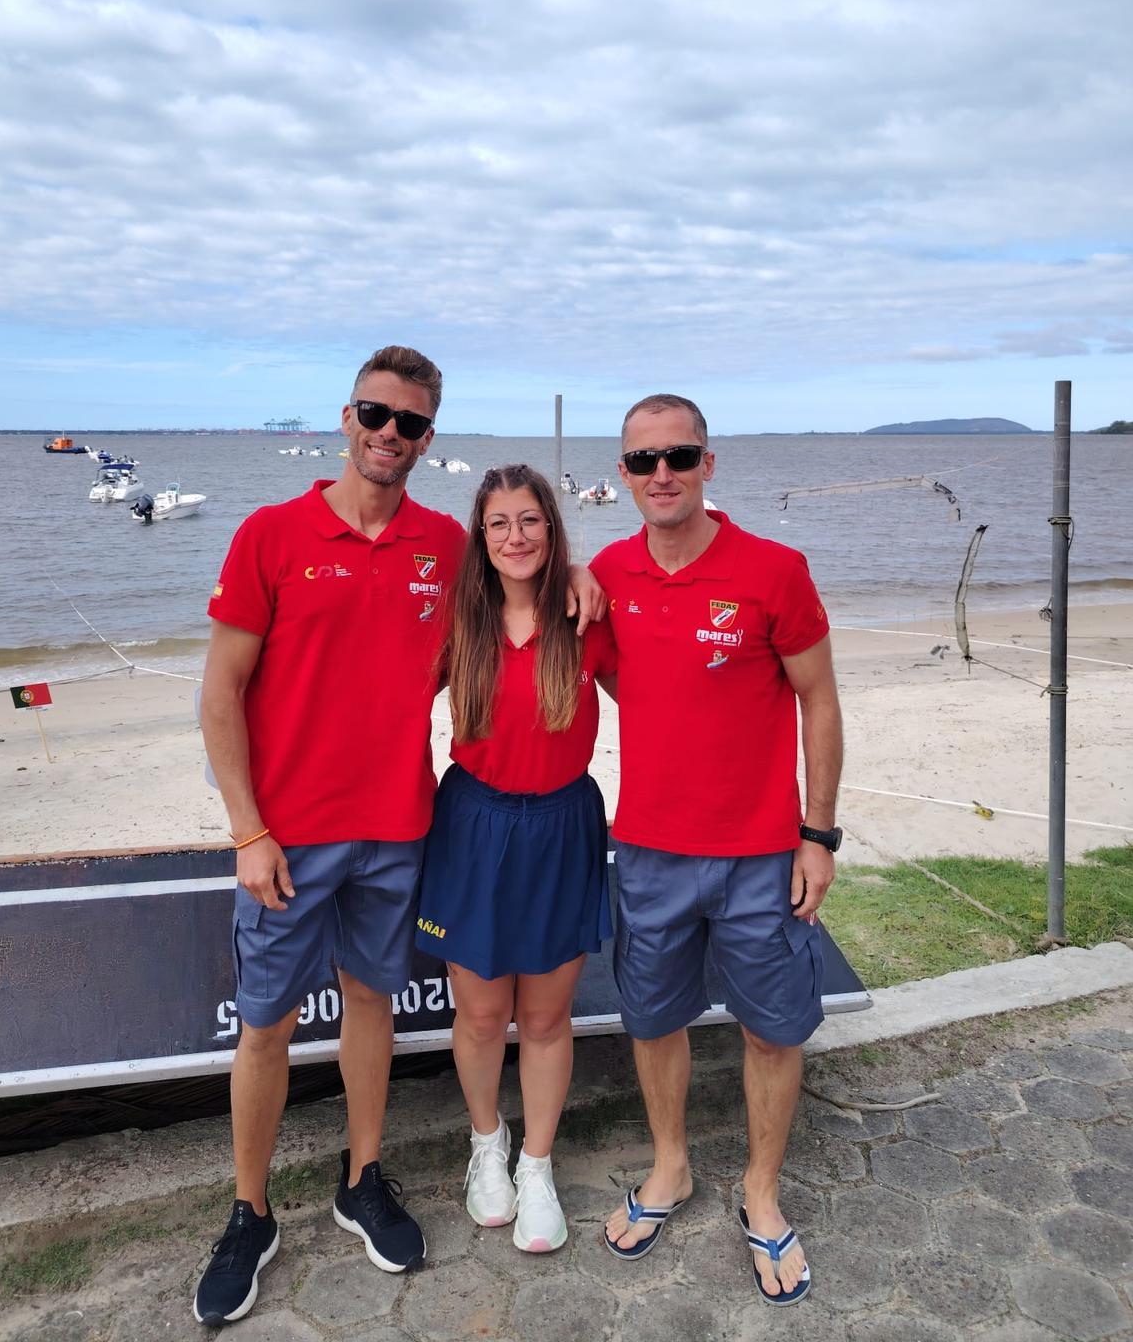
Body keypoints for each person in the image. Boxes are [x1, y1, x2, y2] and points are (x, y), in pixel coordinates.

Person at [193, 351, 604, 1327]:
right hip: (286, 836)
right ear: (348, 417)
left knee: (371, 1002)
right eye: (377, 413)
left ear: (427, 438)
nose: (391, 432)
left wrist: (582, 572)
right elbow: (220, 696)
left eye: (411, 423)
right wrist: (247, 828)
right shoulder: (272, 533)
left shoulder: (443, 546)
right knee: (267, 1024)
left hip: (397, 830)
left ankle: (362, 1178)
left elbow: (524, 579)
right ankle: (249, 1211)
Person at [592, 393, 842, 1307]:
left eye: (679, 456)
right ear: (622, 475)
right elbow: (615, 673)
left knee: (773, 1027)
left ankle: (762, 1191)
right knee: (652, 1019)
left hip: (762, 854)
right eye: (644, 461)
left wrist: (817, 834)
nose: (663, 474)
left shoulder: (775, 570)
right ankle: (672, 1168)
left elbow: (819, 699)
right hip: (650, 851)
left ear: (708, 464)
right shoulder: (610, 572)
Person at [415, 465, 617, 1254]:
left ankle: (538, 1164)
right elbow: (376, 694)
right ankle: (486, 1146)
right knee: (482, 1013)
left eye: (529, 520)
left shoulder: (585, 615)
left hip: (564, 825)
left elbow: (669, 693)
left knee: (543, 1016)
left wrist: (583, 570)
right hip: (473, 824)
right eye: (499, 524)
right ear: (481, 536)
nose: (516, 537)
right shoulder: (458, 622)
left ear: (551, 527)